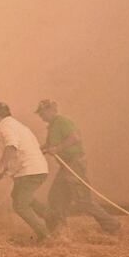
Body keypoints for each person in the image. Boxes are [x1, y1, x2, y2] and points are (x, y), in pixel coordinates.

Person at [35, 99, 120, 235]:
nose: (40, 115)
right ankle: (59, 232)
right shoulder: (52, 126)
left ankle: (113, 226)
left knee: (83, 201)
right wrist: (36, 150)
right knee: (56, 197)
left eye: (42, 112)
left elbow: (75, 138)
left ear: (51, 110)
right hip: (66, 166)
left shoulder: (62, 121)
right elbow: (49, 145)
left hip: (74, 164)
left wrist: (57, 148)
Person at [0, 102, 50, 241]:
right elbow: (17, 152)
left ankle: (46, 235)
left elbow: (11, 147)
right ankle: (52, 218)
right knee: (19, 196)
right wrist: (4, 172)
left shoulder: (5, 125)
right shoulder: (17, 125)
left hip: (30, 171)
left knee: (20, 205)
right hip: (34, 169)